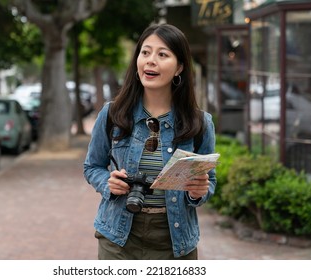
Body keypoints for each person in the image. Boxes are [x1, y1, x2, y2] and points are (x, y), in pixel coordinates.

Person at [83, 23, 216, 260]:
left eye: (162, 54)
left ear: (180, 68)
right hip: (118, 236)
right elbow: (92, 166)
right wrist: (108, 184)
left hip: (175, 241)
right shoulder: (113, 113)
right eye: (145, 52)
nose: (150, 60)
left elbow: (208, 181)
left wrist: (198, 192)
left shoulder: (200, 123)